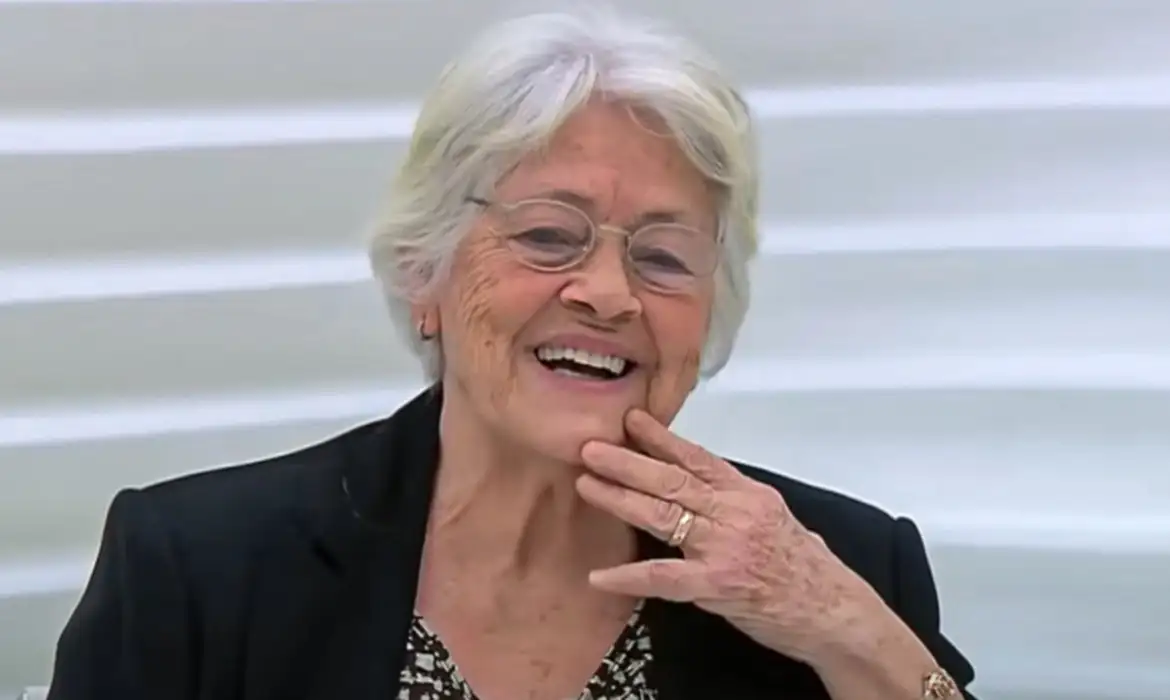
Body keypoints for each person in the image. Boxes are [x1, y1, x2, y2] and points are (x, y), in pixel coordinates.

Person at [47, 9, 977, 700]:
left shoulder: (846, 568)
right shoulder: (198, 569)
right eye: (548, 236)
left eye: (662, 256)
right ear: (426, 274)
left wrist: (853, 637)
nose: (608, 293)